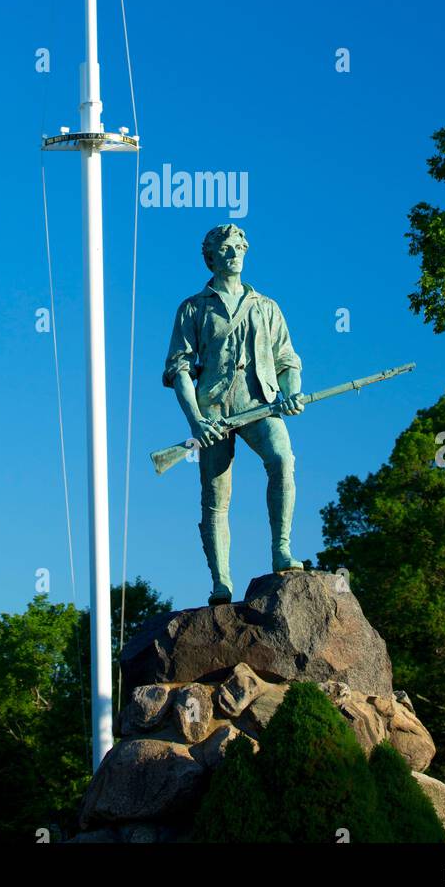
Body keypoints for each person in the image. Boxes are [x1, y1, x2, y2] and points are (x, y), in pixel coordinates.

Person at [162, 224, 305, 605]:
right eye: (224, 249)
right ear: (210, 257)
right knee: (215, 498)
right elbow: (179, 369)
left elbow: (288, 360)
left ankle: (282, 550)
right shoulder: (193, 308)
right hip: (213, 415)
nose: (233, 254)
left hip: (260, 404)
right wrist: (195, 420)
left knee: (282, 460)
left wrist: (291, 394)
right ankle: (221, 582)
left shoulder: (267, 307)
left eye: (238, 247)